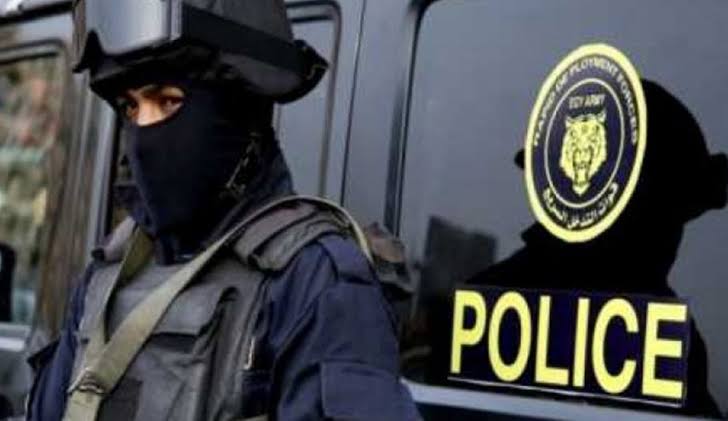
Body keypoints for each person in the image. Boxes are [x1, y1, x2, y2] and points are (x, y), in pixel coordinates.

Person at [25, 0, 421, 420]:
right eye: (131, 107)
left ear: (239, 112)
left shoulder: (312, 281)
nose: (144, 131)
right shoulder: (106, 277)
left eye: (168, 101)